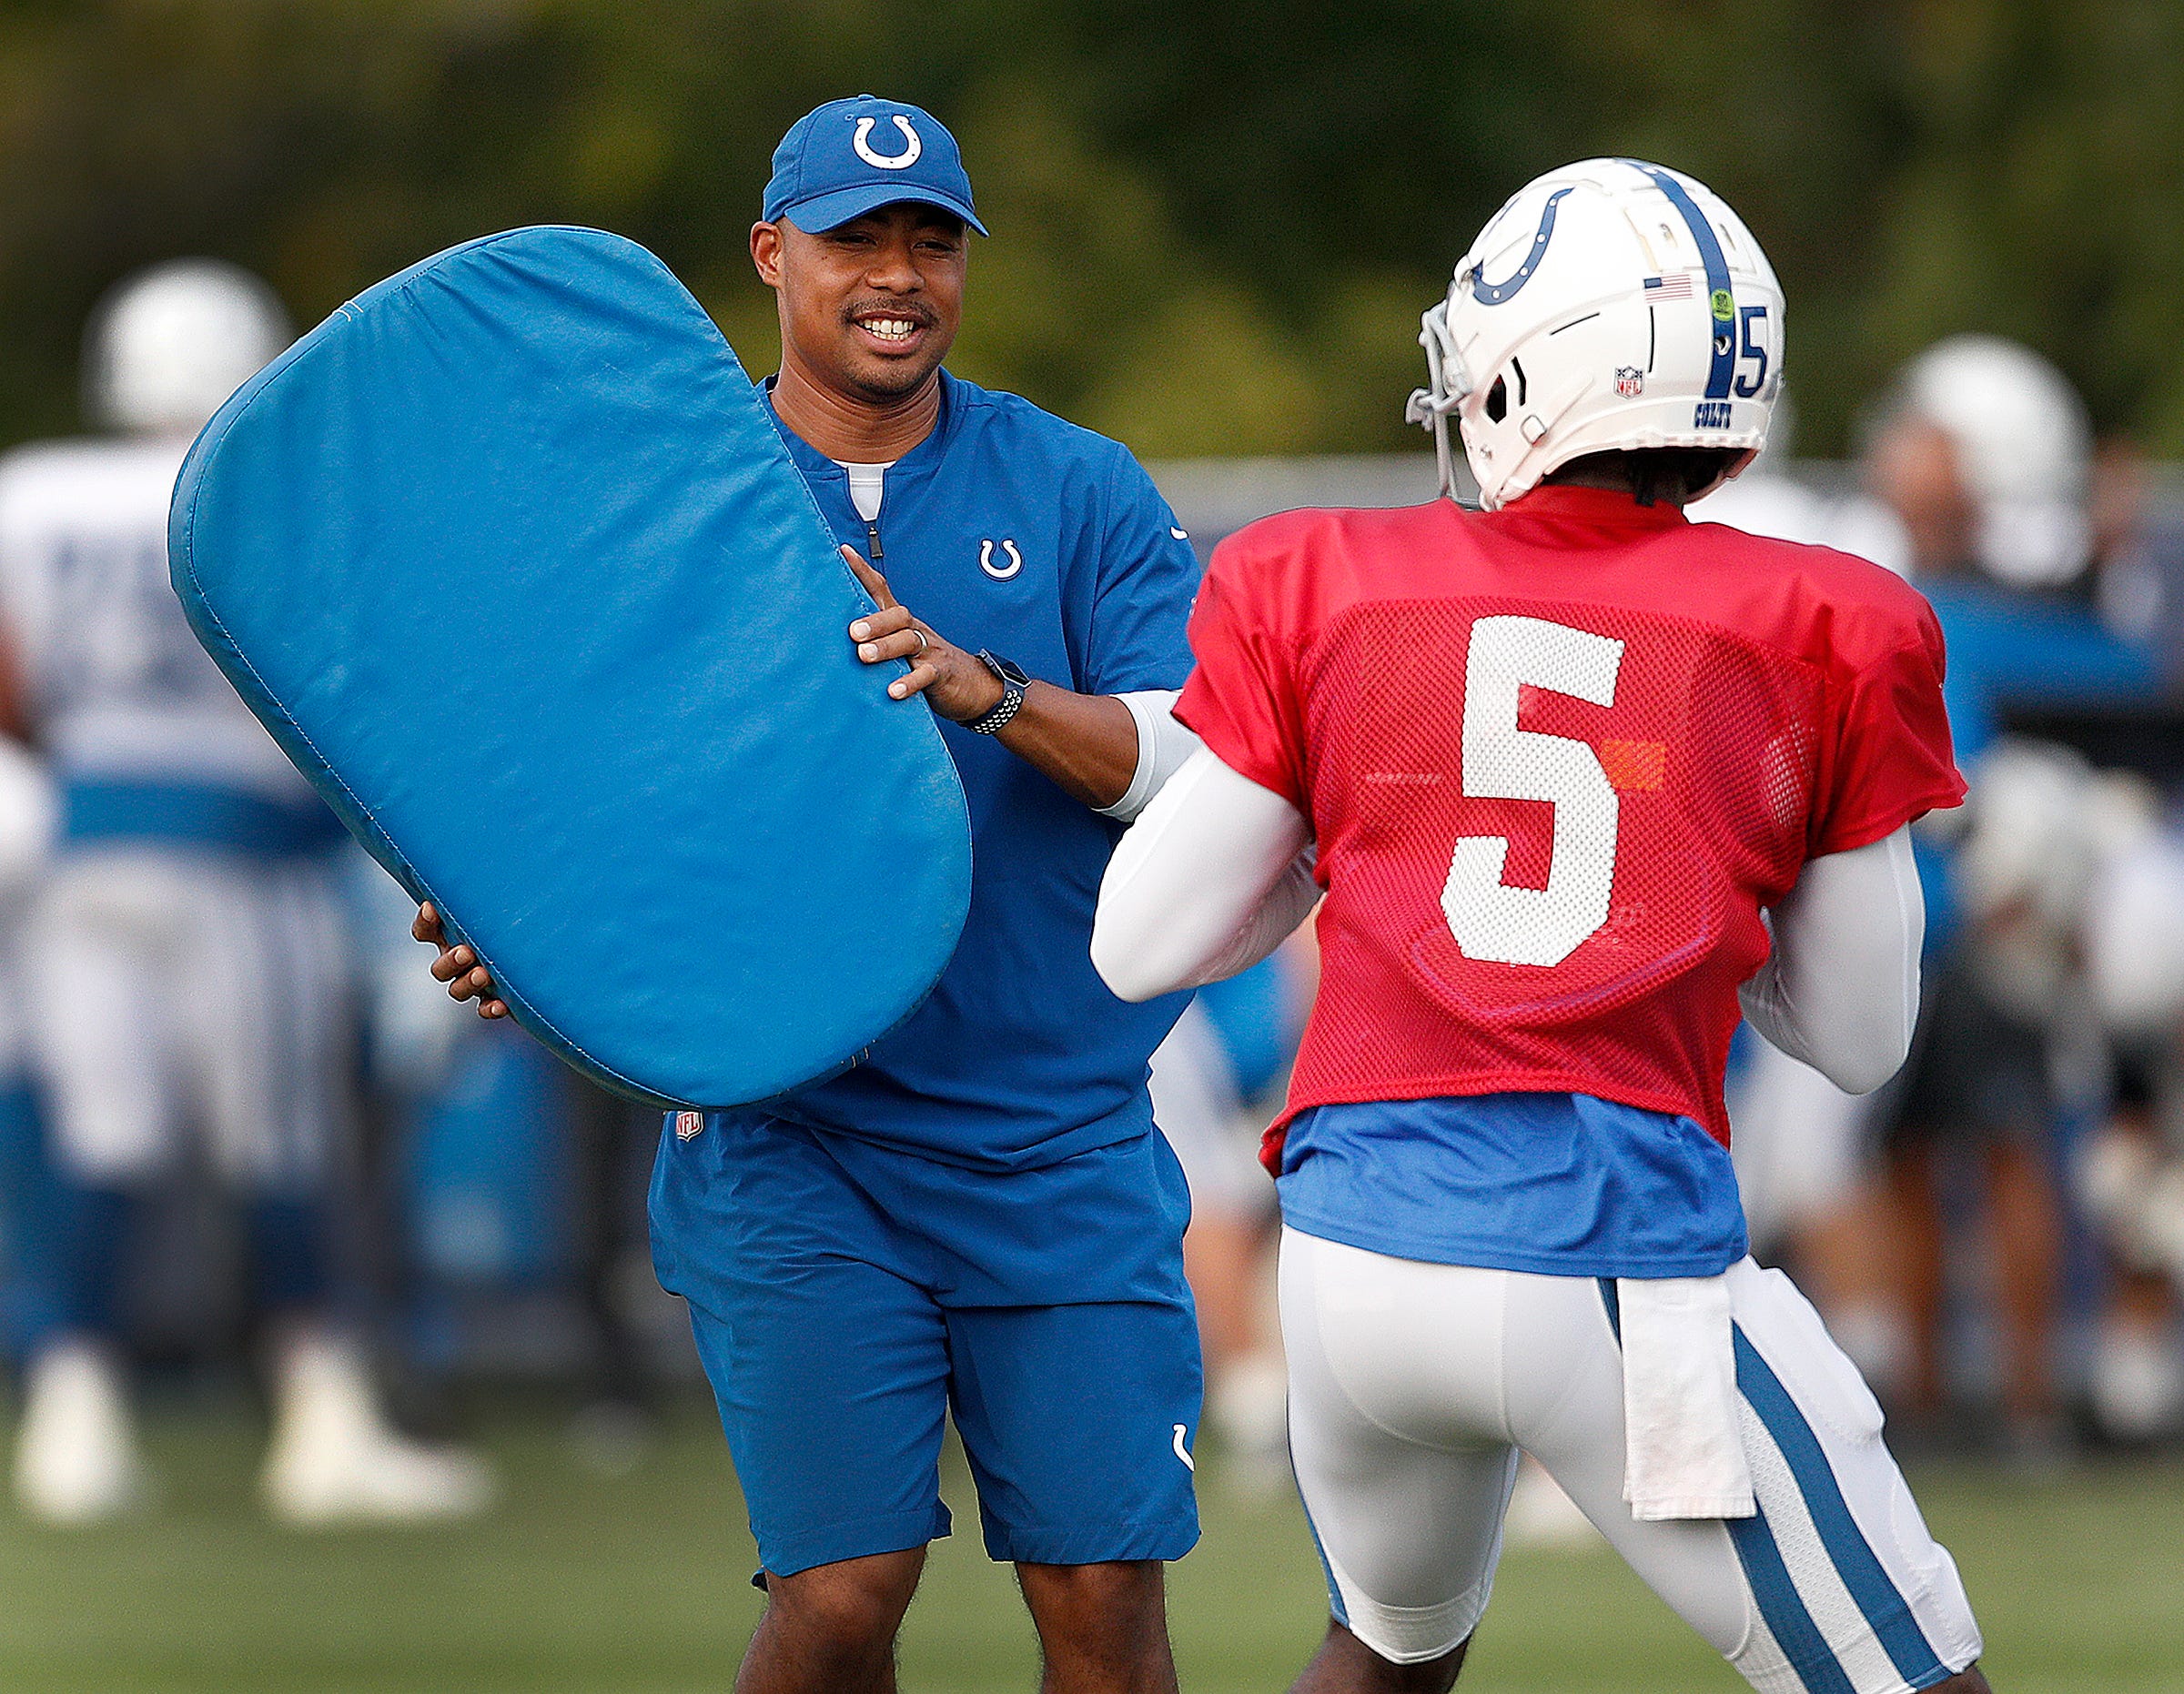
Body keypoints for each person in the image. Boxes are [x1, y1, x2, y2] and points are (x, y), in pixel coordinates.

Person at [1094, 158, 1992, 1693]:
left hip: (1351, 1260)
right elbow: (1857, 1037)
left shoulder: (1321, 582)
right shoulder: (1832, 620)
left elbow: (1136, 945)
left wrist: (1348, 834)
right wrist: (1705, 879)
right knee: (1921, 1678)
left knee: (1385, 1654)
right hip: (1609, 1257)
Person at [419, 96, 1205, 1693]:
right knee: (843, 1590)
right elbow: (568, 781)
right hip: (793, 1132)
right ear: (775, 255)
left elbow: (1194, 761)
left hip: (1053, 1125)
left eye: (932, 240)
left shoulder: (1076, 483)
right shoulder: (667, 496)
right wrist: (518, 924)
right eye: (857, 238)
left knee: (1103, 1603)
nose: (897, 273)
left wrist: (985, 689)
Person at [0, 259, 493, 1525]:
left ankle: (72, 1416)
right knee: (281, 1141)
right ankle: (322, 1419)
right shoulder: (282, 490)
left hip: (88, 851)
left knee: (97, 1136)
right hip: (244, 858)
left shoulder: (32, 491)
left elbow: (14, 683)